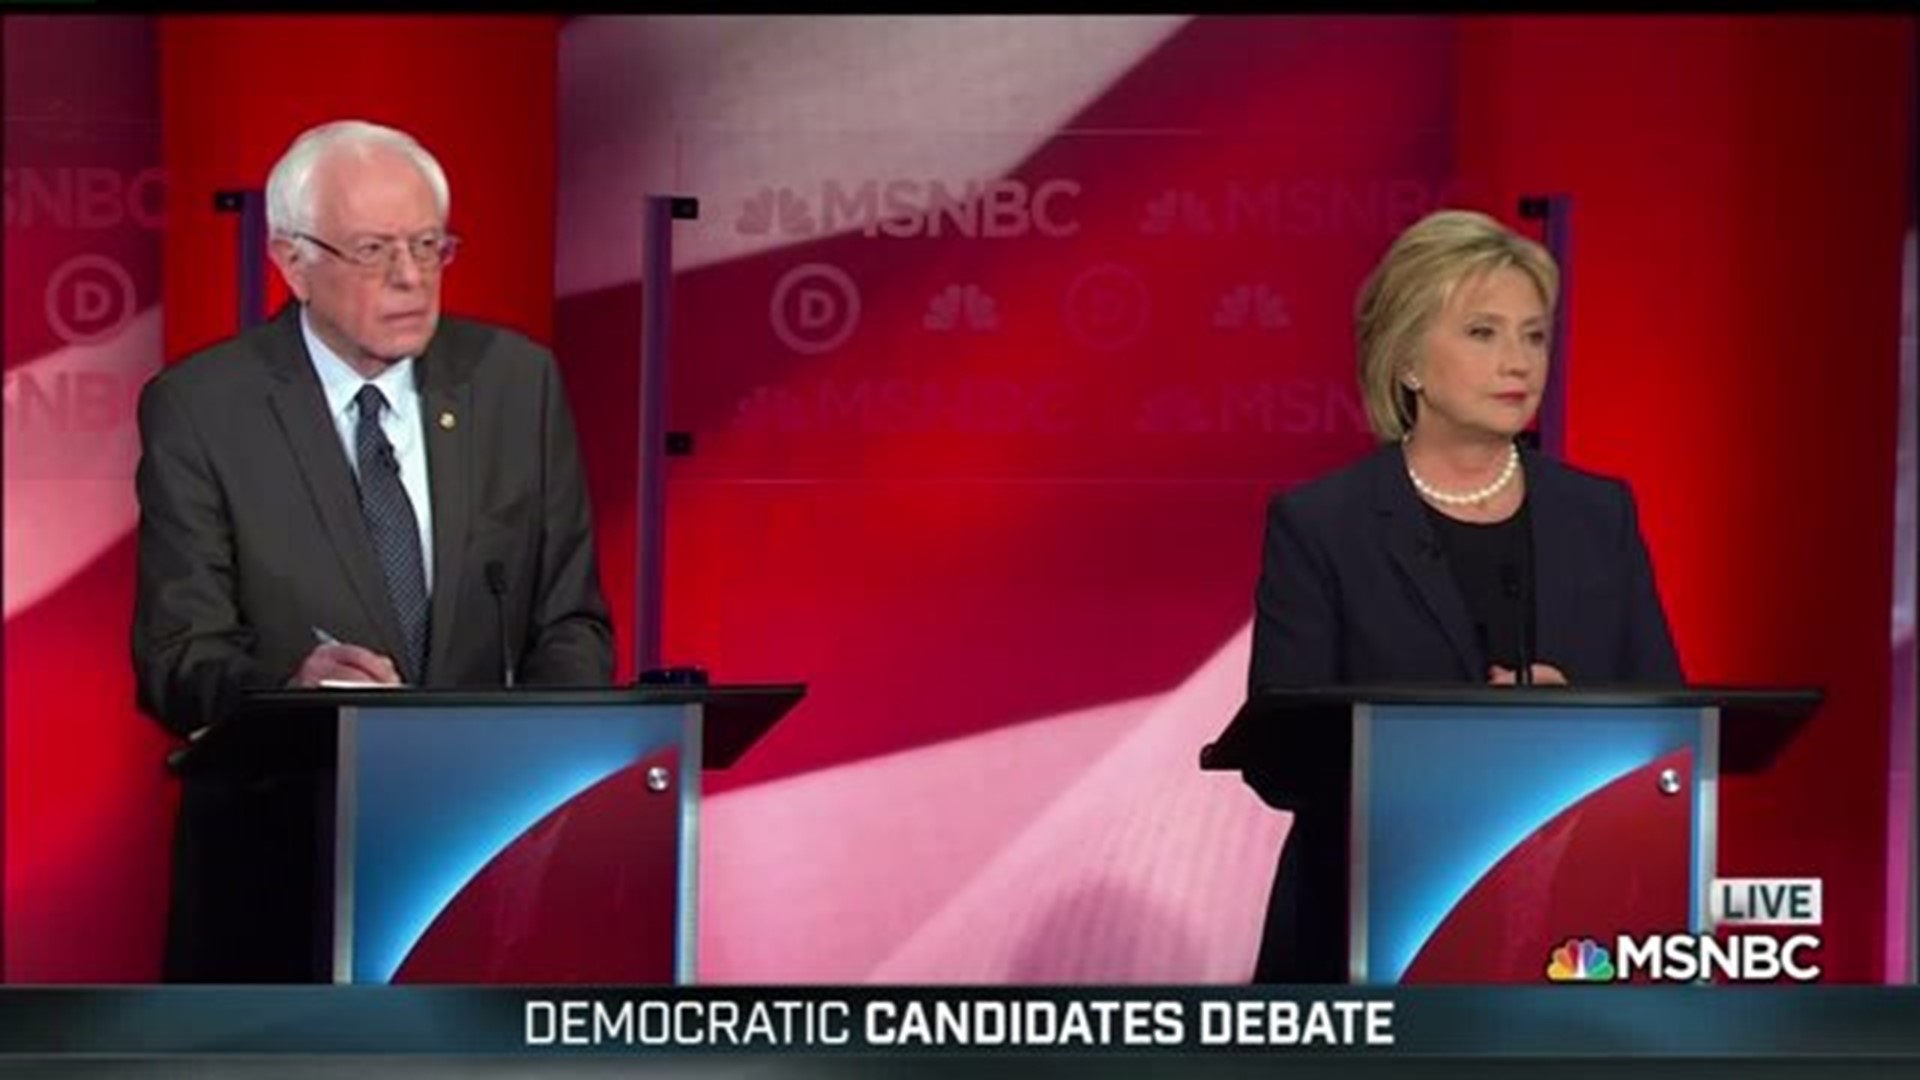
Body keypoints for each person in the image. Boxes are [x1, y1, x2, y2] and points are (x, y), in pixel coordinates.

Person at [131, 120, 615, 981]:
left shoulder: (515, 384)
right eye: (374, 250)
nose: (410, 278)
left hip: (481, 869)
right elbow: (177, 656)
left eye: (430, 246)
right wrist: (289, 690)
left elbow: (570, 622)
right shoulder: (203, 407)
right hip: (282, 879)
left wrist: (533, 791)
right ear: (291, 260)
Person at [1244, 208, 1684, 982]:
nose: (1518, 361)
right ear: (1409, 359)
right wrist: (1458, 742)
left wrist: (1577, 722)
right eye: (1483, 333)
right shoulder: (1323, 525)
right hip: (1366, 940)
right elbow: (1283, 759)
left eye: (1534, 335)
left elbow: (1671, 732)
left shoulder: (1599, 515)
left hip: (1571, 942)